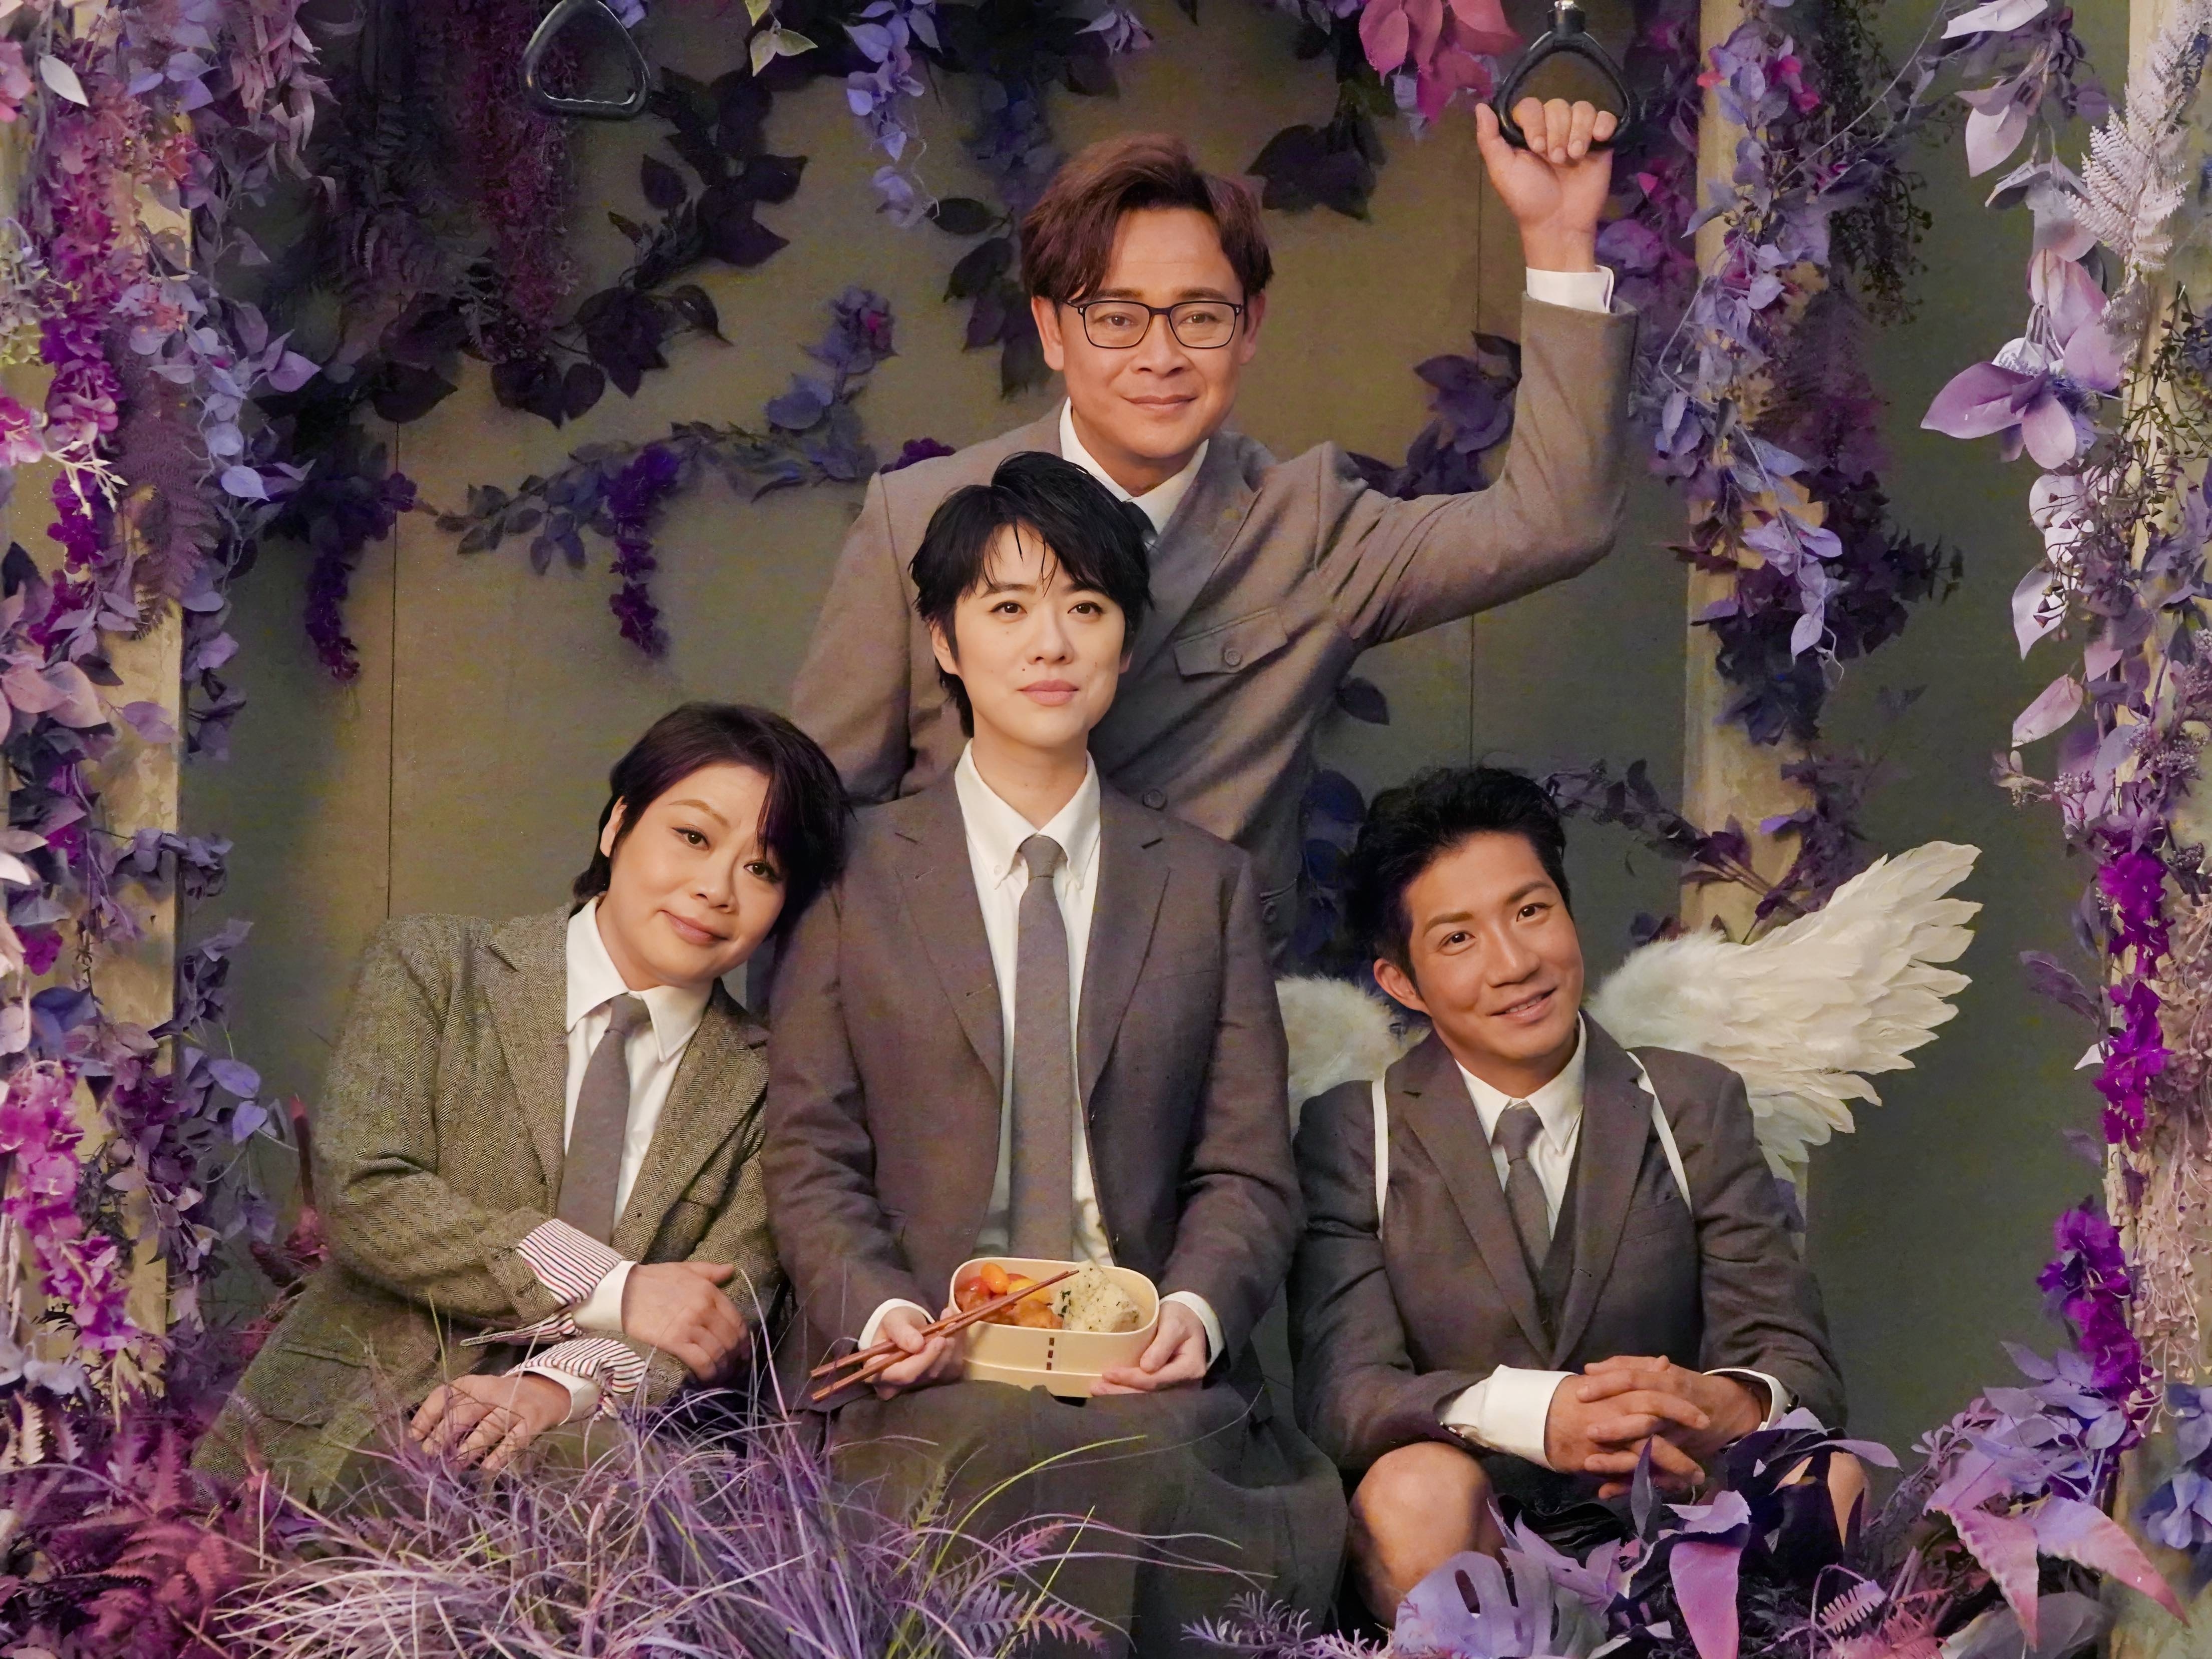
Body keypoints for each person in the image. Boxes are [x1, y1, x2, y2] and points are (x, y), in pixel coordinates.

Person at [791, 112, 1636, 950]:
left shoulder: (1308, 526)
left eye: (1199, 317)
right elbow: (817, 816)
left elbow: (1552, 522)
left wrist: (1558, 242)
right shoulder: (917, 516)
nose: (1160, 356)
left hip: (1206, 1007)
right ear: (1051, 330)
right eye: (1116, 317)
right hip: (951, 995)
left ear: (1250, 326)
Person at [764, 452, 1346, 1654]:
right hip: (928, 1367)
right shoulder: (852, 872)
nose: (1050, 643)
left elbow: (1246, 1169)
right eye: (1007, 607)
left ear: (1124, 643)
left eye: (1086, 606)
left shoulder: (1202, 887)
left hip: (1137, 1370)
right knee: (992, 1448)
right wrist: (877, 1309)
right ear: (941, 638)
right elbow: (811, 1150)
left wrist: (1196, 1311)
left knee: (1133, 1458)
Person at [196, 703, 848, 1499]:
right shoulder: (437, 967)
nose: (715, 887)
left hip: (593, 1453)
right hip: (349, 1423)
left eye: (763, 869)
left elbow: (721, 1309)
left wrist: (548, 1390)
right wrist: (615, 1287)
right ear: (618, 825)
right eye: (692, 836)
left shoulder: (768, 1079)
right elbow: (367, 1192)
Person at [1289, 767, 1848, 1624]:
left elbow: (1794, 1357)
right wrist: (1535, 1413)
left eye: (1529, 910)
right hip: (1470, 1517)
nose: (1515, 963)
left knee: (1824, 1473)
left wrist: (1713, 1406)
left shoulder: (1690, 1101)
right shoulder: (1354, 1130)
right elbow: (1344, 1393)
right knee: (1411, 1487)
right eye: (1457, 938)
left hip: (1667, 1508)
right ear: (1401, 982)